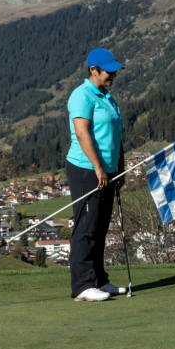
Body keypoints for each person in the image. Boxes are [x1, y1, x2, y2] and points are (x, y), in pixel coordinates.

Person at [65, 48, 127, 302]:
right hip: (85, 170)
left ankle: (99, 280)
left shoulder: (107, 96)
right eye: (109, 70)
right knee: (86, 229)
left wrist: (119, 167)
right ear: (94, 70)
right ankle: (82, 285)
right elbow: (82, 134)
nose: (113, 74)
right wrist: (98, 168)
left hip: (107, 171)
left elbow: (116, 136)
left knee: (101, 228)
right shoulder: (82, 96)